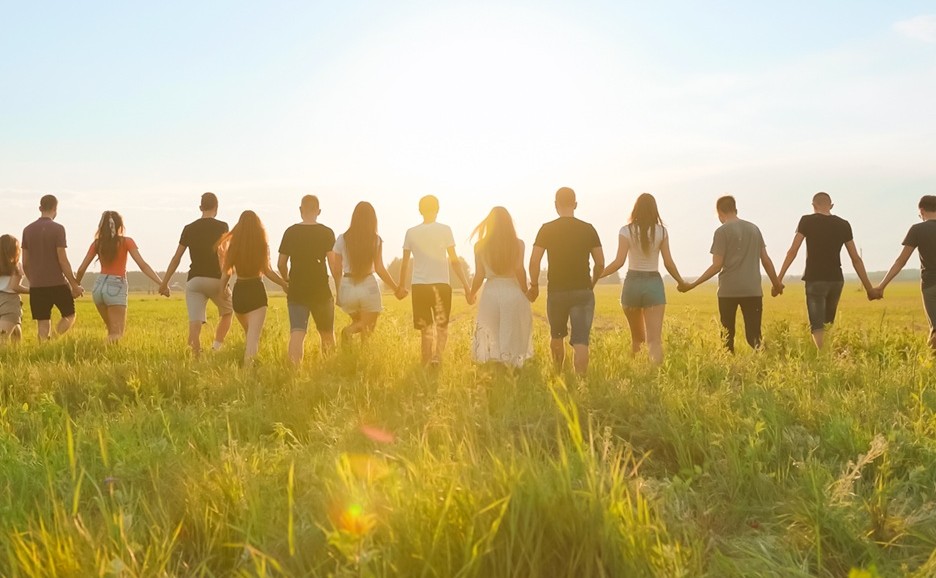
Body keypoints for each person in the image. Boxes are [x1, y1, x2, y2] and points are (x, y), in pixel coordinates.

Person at [680, 196, 783, 352]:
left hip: (728, 291)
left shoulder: (721, 232)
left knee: (727, 336)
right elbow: (766, 261)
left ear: (720, 212)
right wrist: (776, 284)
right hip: (752, 290)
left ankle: (731, 370)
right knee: (754, 336)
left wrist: (692, 284)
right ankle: (769, 360)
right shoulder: (754, 229)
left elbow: (716, 266)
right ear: (736, 209)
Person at [776, 192, 877, 348]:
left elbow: (792, 251)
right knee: (828, 323)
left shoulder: (806, 221)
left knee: (817, 325)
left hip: (815, 278)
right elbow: (855, 258)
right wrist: (869, 289)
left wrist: (778, 279)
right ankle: (827, 355)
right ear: (831, 205)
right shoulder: (844, 224)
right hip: (836, 279)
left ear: (813, 206)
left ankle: (823, 357)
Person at [600, 193, 687, 364]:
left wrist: (596, 276)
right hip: (653, 283)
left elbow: (618, 262)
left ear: (636, 208)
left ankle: (636, 376)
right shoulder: (661, 232)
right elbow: (668, 263)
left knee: (636, 339)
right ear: (655, 210)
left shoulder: (626, 230)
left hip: (632, 283)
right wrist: (681, 282)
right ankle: (655, 375)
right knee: (654, 340)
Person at [528, 187, 604, 375]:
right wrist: (592, 283)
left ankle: (557, 374)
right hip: (582, 290)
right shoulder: (588, 229)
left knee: (557, 335)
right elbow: (600, 262)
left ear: (555, 205)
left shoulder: (546, 229)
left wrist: (535, 285)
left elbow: (534, 261)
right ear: (576, 204)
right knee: (581, 340)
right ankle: (581, 382)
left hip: (556, 291)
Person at [397, 195, 473, 366]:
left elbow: (405, 264)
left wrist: (401, 286)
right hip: (441, 284)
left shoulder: (411, 232)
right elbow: (454, 261)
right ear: (438, 209)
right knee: (442, 326)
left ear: (419, 210)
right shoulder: (445, 230)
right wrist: (467, 286)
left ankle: (425, 360)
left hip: (419, 286)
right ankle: (437, 357)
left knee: (425, 327)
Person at [159, 192, 234, 356]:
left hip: (195, 281)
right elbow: (225, 256)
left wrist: (164, 283)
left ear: (200, 207)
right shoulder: (223, 226)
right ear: (217, 207)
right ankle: (216, 348)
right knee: (228, 312)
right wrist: (226, 281)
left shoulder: (189, 228)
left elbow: (176, 258)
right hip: (216, 279)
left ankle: (194, 357)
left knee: (195, 322)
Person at [75, 211, 165, 342]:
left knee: (111, 330)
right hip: (116, 286)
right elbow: (143, 265)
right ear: (119, 225)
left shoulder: (96, 244)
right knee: (116, 334)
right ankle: (101, 356)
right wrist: (161, 283)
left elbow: (81, 269)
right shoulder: (127, 242)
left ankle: (107, 356)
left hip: (98, 287)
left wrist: (75, 285)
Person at [218, 211, 288, 364]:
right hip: (256, 292)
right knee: (253, 339)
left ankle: (249, 364)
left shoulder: (234, 246)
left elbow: (226, 274)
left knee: (250, 334)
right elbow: (268, 271)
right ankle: (248, 374)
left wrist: (221, 291)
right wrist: (284, 284)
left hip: (239, 294)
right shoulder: (262, 244)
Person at [277, 195, 340, 365]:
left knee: (297, 333)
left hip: (297, 289)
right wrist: (340, 288)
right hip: (321, 289)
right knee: (327, 333)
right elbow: (334, 265)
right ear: (318, 211)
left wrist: (287, 280)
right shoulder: (327, 232)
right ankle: (329, 369)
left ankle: (294, 372)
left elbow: (281, 264)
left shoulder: (290, 232)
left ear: (300, 210)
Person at [468, 207, 533, 368]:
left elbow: (479, 274)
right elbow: (519, 269)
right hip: (513, 289)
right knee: (512, 329)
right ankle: (511, 365)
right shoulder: (518, 244)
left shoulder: (480, 245)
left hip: (490, 291)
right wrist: (526, 290)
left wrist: (471, 293)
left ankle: (494, 364)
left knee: (491, 329)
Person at [874, 195, 936, 352]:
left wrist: (881, 286)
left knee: (935, 329)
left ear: (921, 210)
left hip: (931, 285)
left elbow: (901, 261)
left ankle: (930, 366)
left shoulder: (917, 229)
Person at [333, 202, 402, 341]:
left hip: (347, 287)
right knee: (368, 328)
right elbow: (380, 269)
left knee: (360, 322)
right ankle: (349, 332)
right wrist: (396, 288)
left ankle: (350, 342)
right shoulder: (375, 239)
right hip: (368, 285)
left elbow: (336, 269)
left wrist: (339, 293)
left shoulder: (342, 239)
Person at [21, 194, 84, 340]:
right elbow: (62, 260)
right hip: (58, 283)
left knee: (42, 323)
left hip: (37, 285)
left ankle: (43, 349)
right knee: (69, 315)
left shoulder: (27, 230)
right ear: (55, 209)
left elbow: (25, 262)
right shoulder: (58, 229)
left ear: (40, 208)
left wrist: (33, 280)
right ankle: (55, 337)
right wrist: (74, 284)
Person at [0, 235, 29, 342]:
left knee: (14, 330)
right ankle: (13, 355)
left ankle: (15, 355)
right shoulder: (17, 266)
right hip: (9, 301)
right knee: (3, 338)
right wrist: (34, 291)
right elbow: (14, 287)